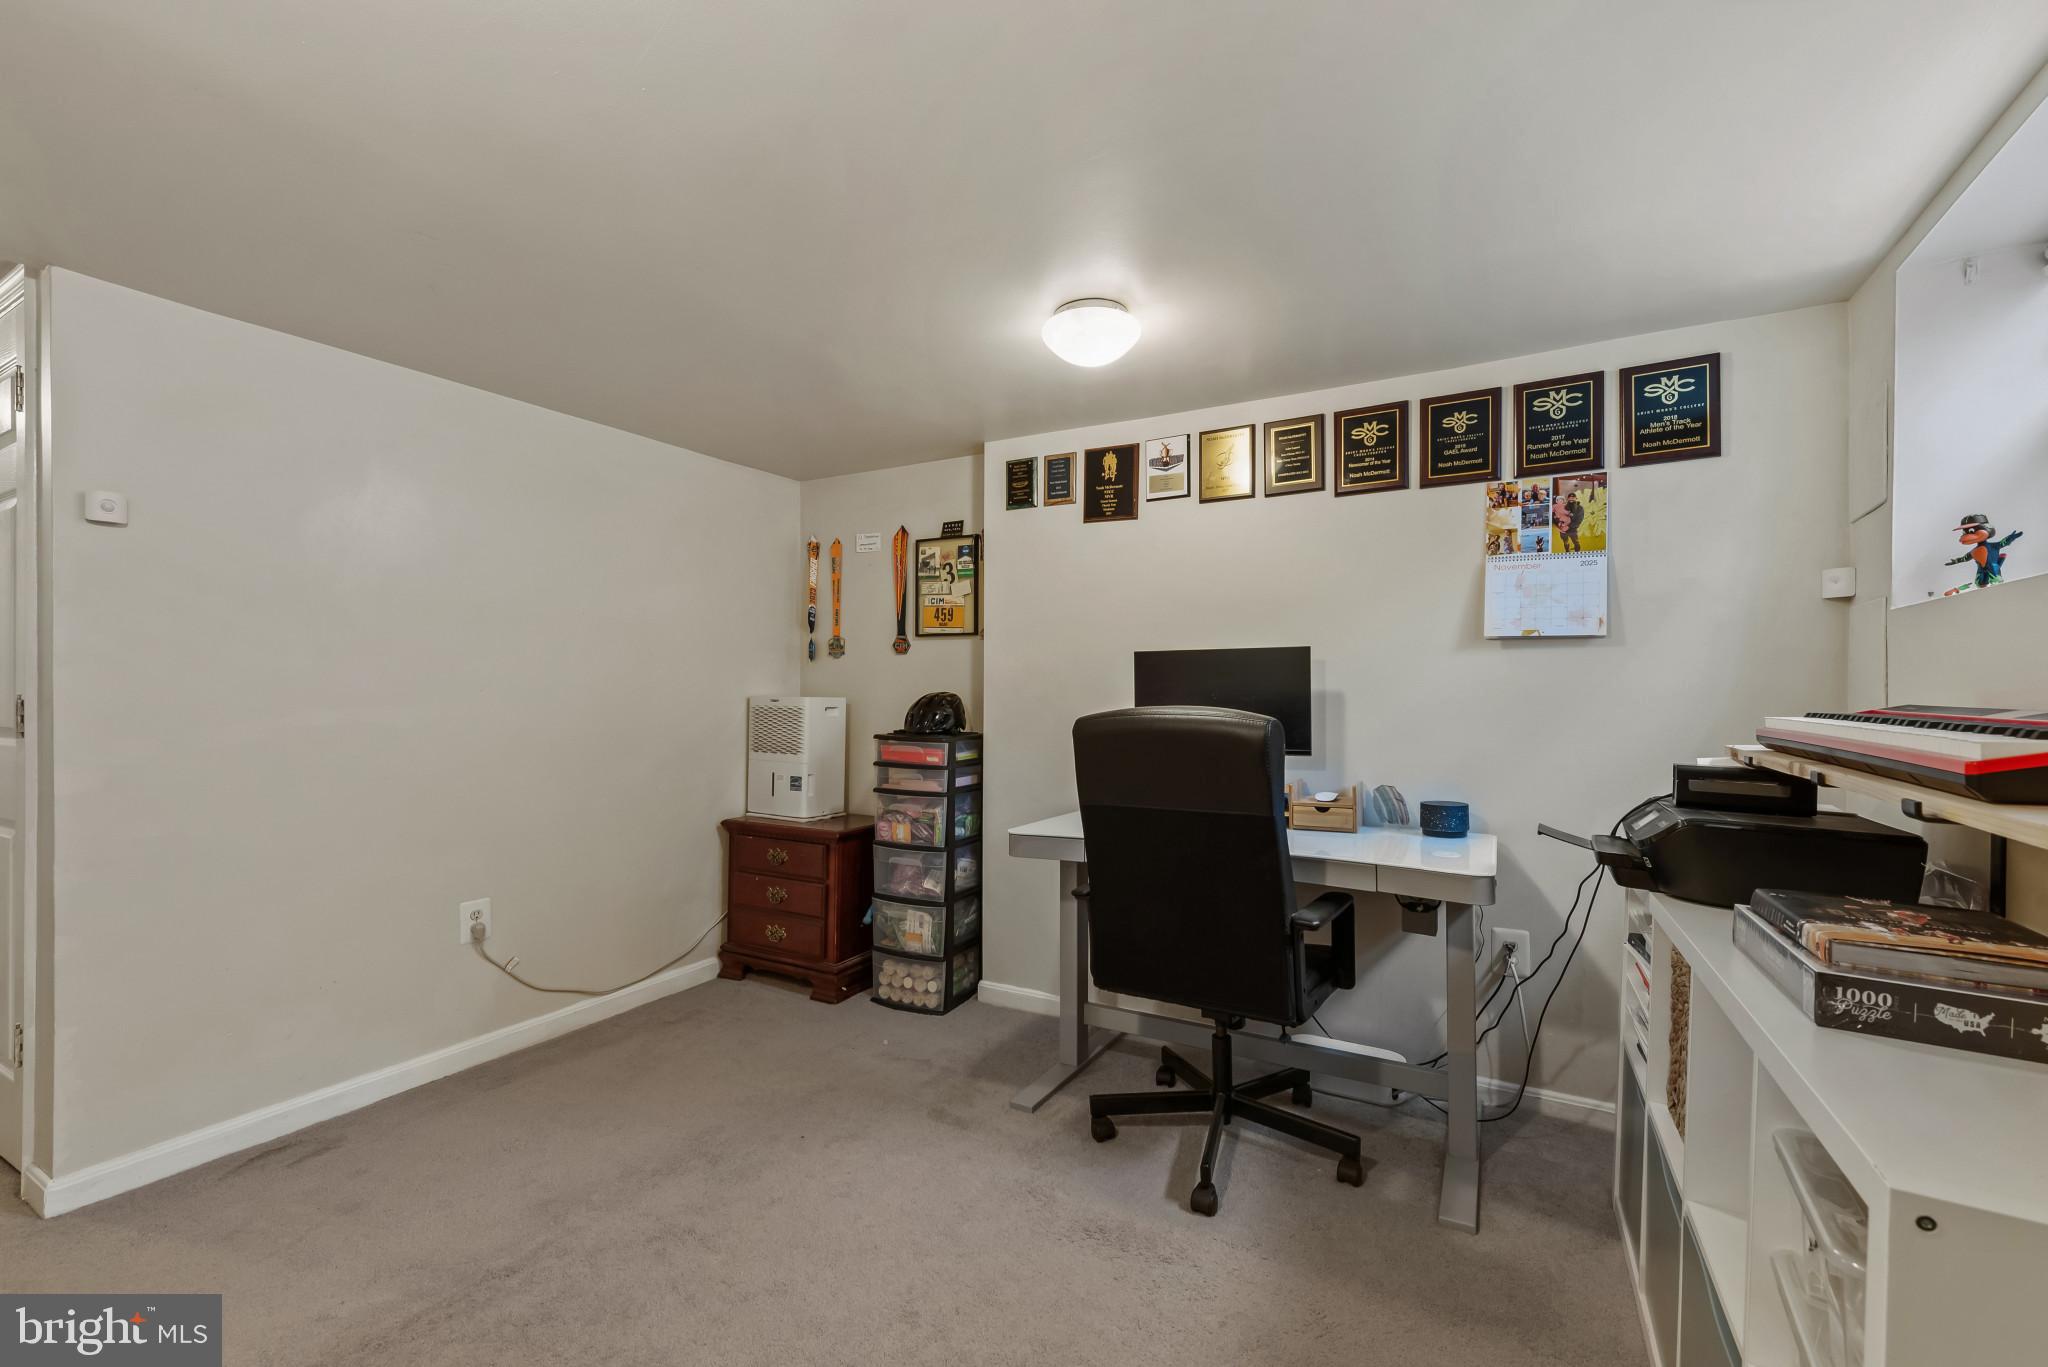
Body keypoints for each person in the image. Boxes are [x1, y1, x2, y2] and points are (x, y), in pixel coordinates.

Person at [1943, 513, 2023, 595]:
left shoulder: (1993, 546)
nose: (1965, 536)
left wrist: (2011, 537)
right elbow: (1965, 558)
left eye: (1971, 531)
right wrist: (1956, 561)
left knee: (1996, 580)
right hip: (1981, 571)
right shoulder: (1973, 551)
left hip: (1993, 570)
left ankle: (1999, 565)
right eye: (1965, 532)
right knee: (1979, 584)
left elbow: (2003, 543)